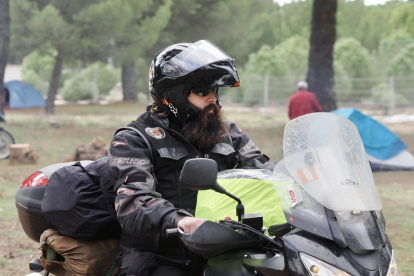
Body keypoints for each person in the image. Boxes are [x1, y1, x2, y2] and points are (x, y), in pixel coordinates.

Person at [108, 40, 275, 276]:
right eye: (201, 91)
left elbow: (265, 172)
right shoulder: (133, 139)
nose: (213, 99)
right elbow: (133, 202)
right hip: (163, 258)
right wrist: (178, 220)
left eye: (214, 91)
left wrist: (306, 180)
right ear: (172, 94)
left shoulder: (228, 133)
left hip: (224, 250)